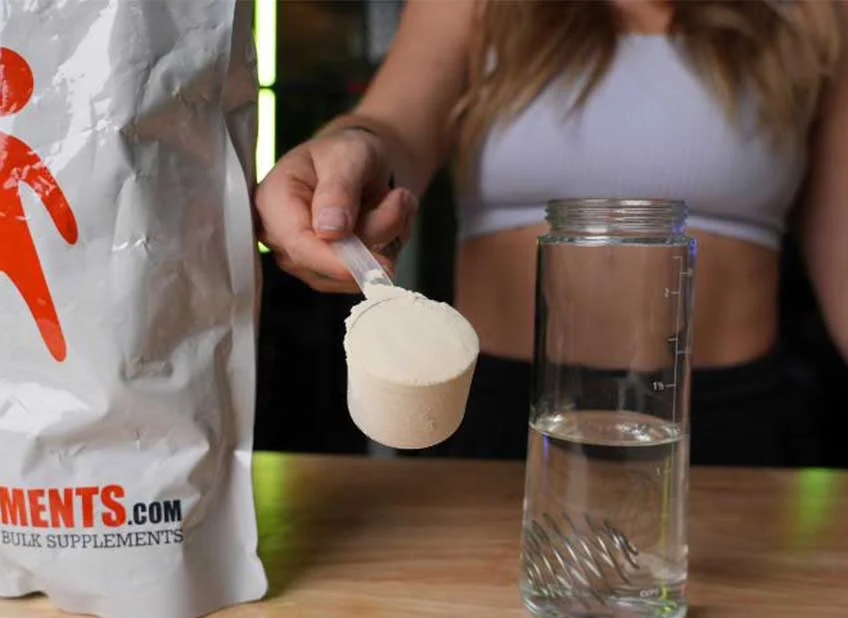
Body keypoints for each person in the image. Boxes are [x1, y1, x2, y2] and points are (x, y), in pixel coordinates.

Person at [255, 0, 848, 466]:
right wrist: (350, 150)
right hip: (499, 417)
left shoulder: (815, 12)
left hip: (731, 425)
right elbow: (394, 126)